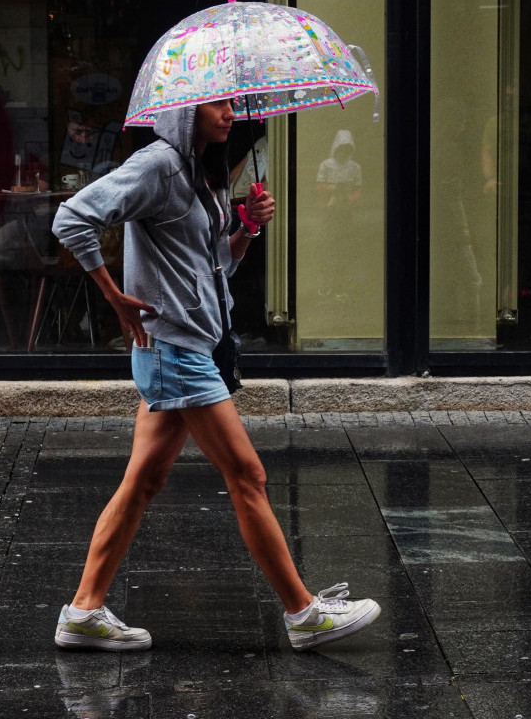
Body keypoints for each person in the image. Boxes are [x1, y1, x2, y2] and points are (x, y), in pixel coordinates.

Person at [50, 98, 381, 651]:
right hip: (173, 350)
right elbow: (72, 217)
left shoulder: (202, 175)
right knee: (248, 476)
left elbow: (212, 267)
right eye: (218, 104)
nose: (230, 114)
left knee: (143, 482)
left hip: (190, 346)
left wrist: (246, 227)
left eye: (232, 104)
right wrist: (114, 297)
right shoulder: (157, 164)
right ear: (185, 111)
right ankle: (303, 614)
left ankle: (83, 612)